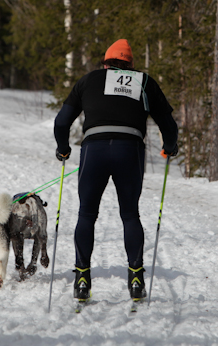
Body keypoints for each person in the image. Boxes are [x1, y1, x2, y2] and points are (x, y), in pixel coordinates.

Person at [53, 39, 179, 303]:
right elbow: (168, 124)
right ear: (131, 65)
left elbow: (62, 121)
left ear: (105, 64)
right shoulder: (144, 82)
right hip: (129, 150)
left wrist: (63, 148)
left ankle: (82, 279)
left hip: (94, 150)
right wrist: (169, 146)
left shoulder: (88, 80)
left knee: (86, 214)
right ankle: (135, 278)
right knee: (130, 214)